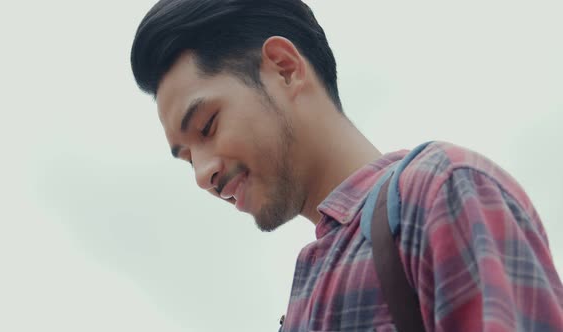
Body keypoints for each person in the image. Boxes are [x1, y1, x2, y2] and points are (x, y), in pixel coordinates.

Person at [130, 0, 563, 331]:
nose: (203, 175)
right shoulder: (302, 297)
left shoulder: (440, 190)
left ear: (283, 69)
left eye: (207, 127)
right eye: (187, 159)